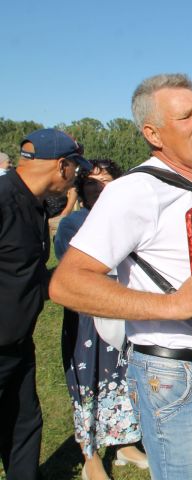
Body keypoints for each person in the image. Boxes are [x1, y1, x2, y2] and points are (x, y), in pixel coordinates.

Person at [49, 73, 192, 479]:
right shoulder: (135, 189)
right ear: (153, 133)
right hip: (176, 374)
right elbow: (67, 283)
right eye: (186, 116)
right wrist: (172, 304)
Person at [1, 128, 90, 479]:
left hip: (18, 343)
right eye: (75, 170)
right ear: (62, 166)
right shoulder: (4, 199)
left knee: (24, 425)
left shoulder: (32, 203)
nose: (74, 181)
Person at [54, 159, 147, 480]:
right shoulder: (74, 222)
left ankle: (125, 443)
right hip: (88, 319)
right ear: (81, 189)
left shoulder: (127, 218)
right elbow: (74, 273)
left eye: (106, 181)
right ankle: (90, 457)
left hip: (125, 309)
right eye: (92, 182)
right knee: (89, 382)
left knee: (125, 377)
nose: (99, 187)